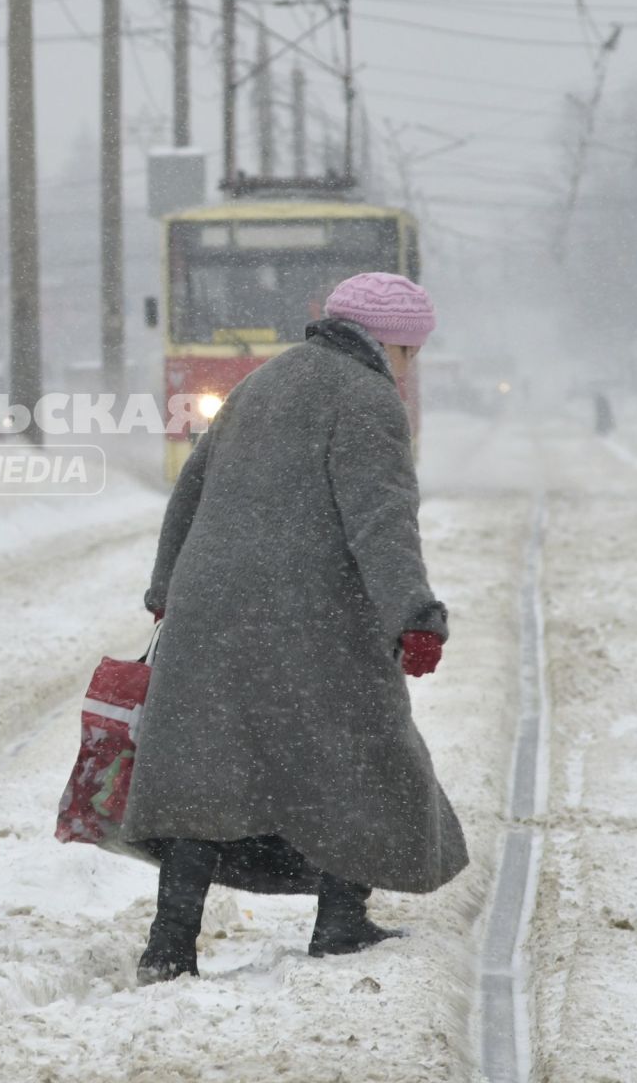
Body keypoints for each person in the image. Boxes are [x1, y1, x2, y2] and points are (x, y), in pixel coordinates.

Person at [124, 271, 468, 984]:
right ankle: (341, 922)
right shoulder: (369, 398)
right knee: (362, 756)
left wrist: (167, 589)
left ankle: (169, 943)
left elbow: (189, 491)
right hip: (313, 615)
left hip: (210, 607)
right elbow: (382, 521)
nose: (412, 367)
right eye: (413, 352)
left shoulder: (262, 382)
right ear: (393, 344)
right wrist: (415, 616)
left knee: (205, 773)